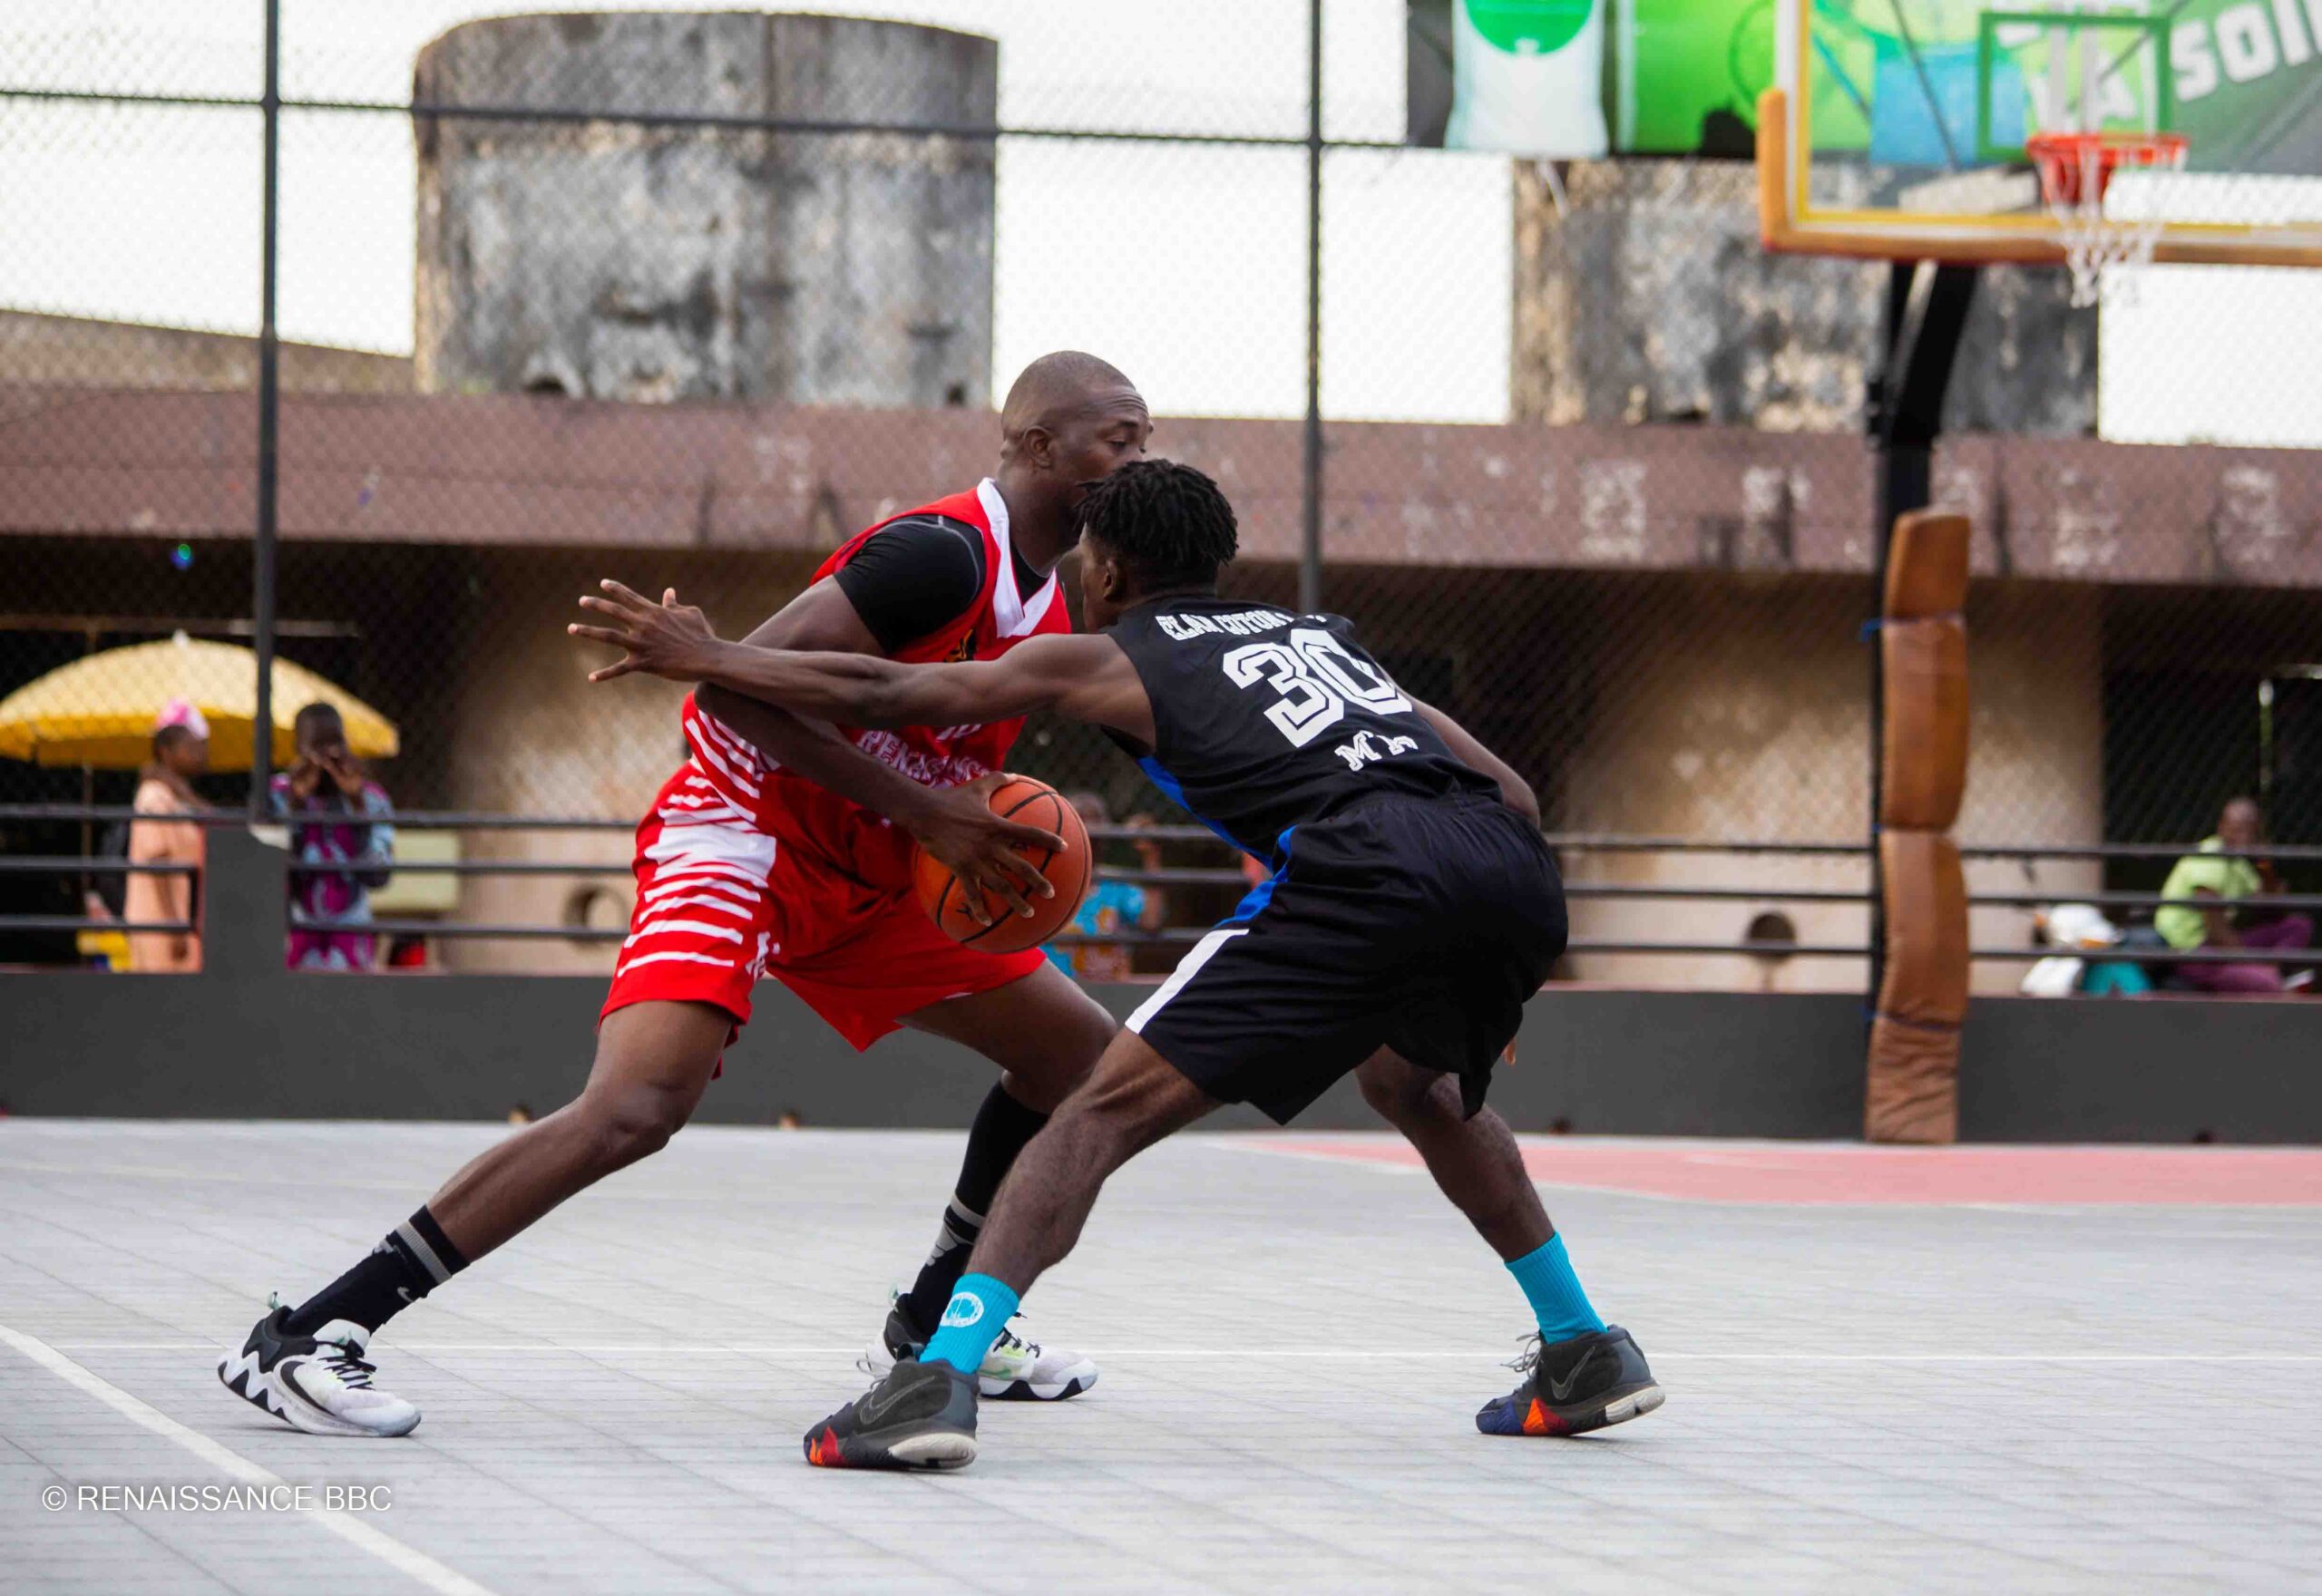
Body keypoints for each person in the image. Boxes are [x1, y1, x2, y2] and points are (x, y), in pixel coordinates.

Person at [571, 458, 1663, 1472]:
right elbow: (1514, 794)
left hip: (1365, 870)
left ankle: (935, 1375)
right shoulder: (1322, 638)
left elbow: (885, 693)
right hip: (1502, 866)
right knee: (1415, 1085)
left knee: (1093, 1109)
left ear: (1103, 572)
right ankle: (1581, 1346)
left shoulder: (1110, 651)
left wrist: (712, 656)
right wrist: (1485, 959)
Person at [217, 352, 1149, 1440]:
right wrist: (926, 810)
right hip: (744, 829)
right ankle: (310, 1331)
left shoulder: (1053, 600)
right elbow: (727, 691)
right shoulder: (942, 555)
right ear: (1038, 444)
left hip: (870, 859)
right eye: (1118, 438)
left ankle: (940, 1319)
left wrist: (946, 816)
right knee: (635, 1107)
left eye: (1145, 439)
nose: (1139, 458)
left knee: (1074, 1052)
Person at [268, 702, 397, 971]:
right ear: (298, 750)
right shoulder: (277, 795)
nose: (327, 758)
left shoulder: (370, 798)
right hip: (292, 933)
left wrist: (357, 805)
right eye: (317, 749)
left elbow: (379, 877)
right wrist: (296, 806)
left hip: (350, 934)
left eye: (336, 744)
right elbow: (272, 879)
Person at [2154, 796, 2313, 995]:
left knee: (2298, 926)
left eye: (2249, 831)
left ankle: (2265, 976)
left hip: (2222, 945)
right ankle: (2268, 980)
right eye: (2237, 829)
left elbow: (2272, 910)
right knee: (2267, 981)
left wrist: (2264, 864)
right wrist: (2254, 964)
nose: (2243, 837)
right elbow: (2216, 931)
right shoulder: (2209, 857)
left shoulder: (2238, 862)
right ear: (2222, 827)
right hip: (2193, 950)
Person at [1044, 791, 1166, 981]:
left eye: (1094, 823)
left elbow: (1151, 922)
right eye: (1080, 822)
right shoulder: (1045, 884)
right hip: (1054, 990)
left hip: (1107, 991)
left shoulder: (1116, 884)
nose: (1088, 831)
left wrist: (1151, 854)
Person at [125, 700, 209, 973]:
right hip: (161, 924)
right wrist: (173, 926)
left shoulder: (177, 797)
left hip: (182, 922)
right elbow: (157, 859)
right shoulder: (154, 796)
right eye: (193, 746)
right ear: (166, 750)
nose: (202, 753)